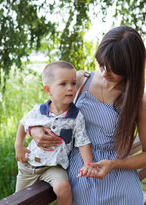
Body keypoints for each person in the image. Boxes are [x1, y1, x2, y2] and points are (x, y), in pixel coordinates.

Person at [30, 25, 146, 204]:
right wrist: (35, 129)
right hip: (80, 179)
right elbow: (48, 112)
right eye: (102, 64)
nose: (105, 72)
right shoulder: (80, 80)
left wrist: (114, 164)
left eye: (113, 69)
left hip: (121, 189)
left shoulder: (141, 102)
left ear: (130, 68)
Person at [14, 61, 97, 205]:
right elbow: (23, 123)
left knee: (64, 188)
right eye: (63, 84)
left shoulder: (76, 116)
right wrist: (19, 146)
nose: (70, 88)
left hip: (54, 167)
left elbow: (83, 142)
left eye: (73, 83)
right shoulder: (39, 111)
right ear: (48, 90)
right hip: (29, 166)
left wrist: (88, 164)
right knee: (20, 201)